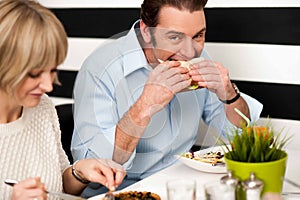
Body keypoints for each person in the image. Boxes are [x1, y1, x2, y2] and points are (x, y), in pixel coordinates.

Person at [71, 0, 263, 197]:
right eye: (174, 37)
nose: (190, 52)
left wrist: (230, 95)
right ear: (146, 32)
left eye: (198, 35)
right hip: (121, 193)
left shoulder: (196, 57)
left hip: (183, 186)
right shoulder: (100, 68)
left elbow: (241, 137)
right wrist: (143, 108)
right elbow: (93, 171)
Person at [0, 0, 126, 199]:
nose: (48, 86)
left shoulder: (42, 106)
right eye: (34, 74)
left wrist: (80, 173)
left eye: (52, 70)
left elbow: (59, 190)